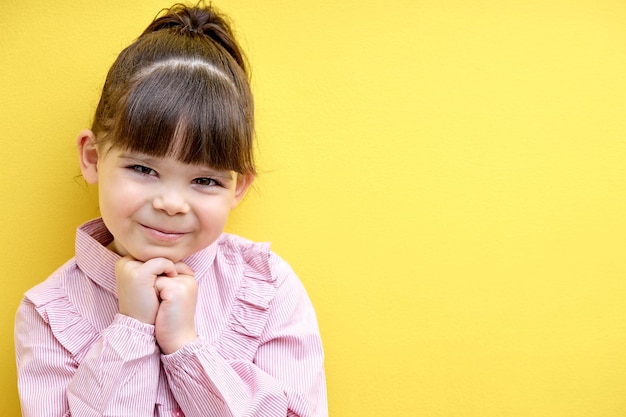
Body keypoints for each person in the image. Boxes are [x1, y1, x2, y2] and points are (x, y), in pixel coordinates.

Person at [14, 3, 327, 416]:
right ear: (92, 157)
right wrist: (131, 329)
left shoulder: (269, 289)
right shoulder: (50, 314)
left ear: (238, 187)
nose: (171, 204)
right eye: (144, 168)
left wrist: (185, 346)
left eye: (205, 181)